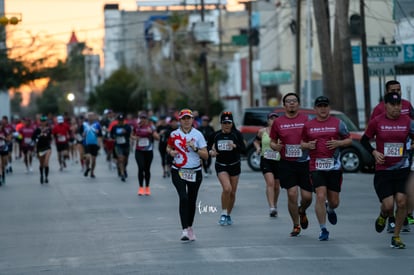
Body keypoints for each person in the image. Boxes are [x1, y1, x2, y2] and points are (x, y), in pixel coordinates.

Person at [361, 91, 414, 249]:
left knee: (402, 202)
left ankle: (396, 236)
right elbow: (364, 140)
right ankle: (383, 215)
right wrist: (374, 152)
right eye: (393, 104)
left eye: (399, 104)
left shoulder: (408, 122)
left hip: (402, 169)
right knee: (389, 205)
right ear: (386, 106)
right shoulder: (377, 122)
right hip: (383, 170)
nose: (396, 108)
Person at [301, 96, 352, 241]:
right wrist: (307, 146)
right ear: (315, 109)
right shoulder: (308, 125)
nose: (323, 108)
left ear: (329, 108)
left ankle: (330, 209)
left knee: (334, 201)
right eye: (320, 106)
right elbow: (301, 143)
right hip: (315, 166)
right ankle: (323, 229)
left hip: (334, 167)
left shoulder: (338, 123)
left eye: (325, 105)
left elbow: (348, 139)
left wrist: (339, 143)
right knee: (320, 196)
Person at [370, 80, 414, 232]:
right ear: (386, 93)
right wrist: (375, 151)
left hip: (404, 158)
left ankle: (401, 225)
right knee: (389, 202)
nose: (397, 92)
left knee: (402, 198)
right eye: (393, 90)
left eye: (399, 89)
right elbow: (369, 133)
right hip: (384, 164)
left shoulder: (407, 106)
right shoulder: (378, 111)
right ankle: (389, 217)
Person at [270, 93, 313, 236]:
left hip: (304, 162)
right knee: (292, 194)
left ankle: (302, 210)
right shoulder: (278, 122)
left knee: (307, 197)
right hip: (286, 163)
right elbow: (272, 141)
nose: (292, 103)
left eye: (294, 101)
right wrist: (274, 147)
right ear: (284, 105)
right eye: (288, 101)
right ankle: (296, 225)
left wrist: (309, 145)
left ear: (298, 104)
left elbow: (313, 138)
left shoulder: (306, 120)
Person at [166, 108, 208, 241]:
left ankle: (190, 227)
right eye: (183, 118)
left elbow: (206, 155)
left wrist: (195, 148)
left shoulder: (198, 135)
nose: (186, 121)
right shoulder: (174, 134)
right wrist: (170, 152)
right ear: (180, 120)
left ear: (192, 120)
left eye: (188, 118)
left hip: (195, 171)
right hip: (178, 170)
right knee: (183, 198)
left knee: (191, 200)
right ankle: (184, 230)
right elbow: (168, 147)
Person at [208, 111, 246, 226]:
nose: (227, 124)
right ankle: (223, 214)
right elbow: (207, 147)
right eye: (224, 122)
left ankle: (228, 215)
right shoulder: (215, 135)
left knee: (233, 193)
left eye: (229, 122)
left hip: (234, 165)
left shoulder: (237, 134)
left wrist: (235, 146)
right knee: (227, 188)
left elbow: (244, 150)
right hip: (221, 165)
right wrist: (211, 152)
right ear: (221, 123)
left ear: (232, 123)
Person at [254, 112, 281, 218]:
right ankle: (271, 207)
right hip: (266, 159)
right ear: (268, 120)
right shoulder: (262, 131)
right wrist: (258, 148)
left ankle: (275, 204)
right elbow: (256, 141)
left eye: (275, 118)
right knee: (270, 183)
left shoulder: (281, 131)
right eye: (271, 118)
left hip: (278, 160)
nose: (273, 120)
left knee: (277, 185)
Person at [132, 112, 159, 195]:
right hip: (139, 151)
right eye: (141, 118)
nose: (143, 120)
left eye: (144, 118)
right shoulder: (136, 126)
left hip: (148, 151)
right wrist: (135, 138)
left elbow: (157, 138)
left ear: (147, 119)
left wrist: (151, 132)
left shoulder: (151, 127)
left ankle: (147, 187)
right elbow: (132, 136)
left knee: (147, 169)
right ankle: (140, 187)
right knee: (141, 167)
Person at [110, 114, 132, 182]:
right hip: (118, 145)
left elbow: (130, 134)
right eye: (119, 120)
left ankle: (124, 169)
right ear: (117, 121)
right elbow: (111, 135)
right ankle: (122, 174)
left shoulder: (127, 127)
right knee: (120, 159)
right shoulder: (114, 127)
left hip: (126, 145)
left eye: (122, 120)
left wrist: (125, 132)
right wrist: (115, 136)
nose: (120, 122)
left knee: (126, 160)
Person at [32, 115, 53, 184]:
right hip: (40, 148)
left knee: (46, 163)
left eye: (45, 121)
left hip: (47, 148)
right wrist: (39, 136)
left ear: (46, 122)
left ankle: (46, 177)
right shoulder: (37, 130)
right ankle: (42, 175)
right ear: (40, 122)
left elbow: (50, 137)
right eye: (42, 121)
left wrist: (47, 136)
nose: (43, 122)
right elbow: (33, 138)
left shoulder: (49, 129)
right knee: (41, 164)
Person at [81, 112, 101, 178]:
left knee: (94, 159)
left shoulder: (97, 125)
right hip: (86, 143)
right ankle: (87, 168)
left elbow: (100, 135)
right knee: (88, 158)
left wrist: (99, 143)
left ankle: (92, 172)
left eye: (92, 116)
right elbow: (79, 133)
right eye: (89, 116)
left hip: (94, 144)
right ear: (87, 117)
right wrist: (82, 135)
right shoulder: (84, 124)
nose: (90, 117)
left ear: (94, 117)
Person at [0, 120, 12, 185]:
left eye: (0, 125)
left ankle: (3, 175)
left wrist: (4, 138)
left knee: (4, 163)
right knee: (0, 164)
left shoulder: (5, 131)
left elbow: (9, 139)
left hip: (4, 149)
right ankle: (0, 177)